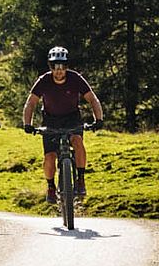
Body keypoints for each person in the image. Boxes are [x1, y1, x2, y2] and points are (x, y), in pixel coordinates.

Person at [22, 46, 104, 203]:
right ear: (50, 67)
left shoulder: (75, 78)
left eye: (62, 66)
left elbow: (92, 99)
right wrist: (28, 124)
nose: (59, 70)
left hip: (72, 118)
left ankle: (80, 179)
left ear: (67, 66)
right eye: (55, 66)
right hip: (50, 120)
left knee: (77, 141)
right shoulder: (44, 80)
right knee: (49, 156)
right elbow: (31, 103)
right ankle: (51, 186)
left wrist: (98, 119)